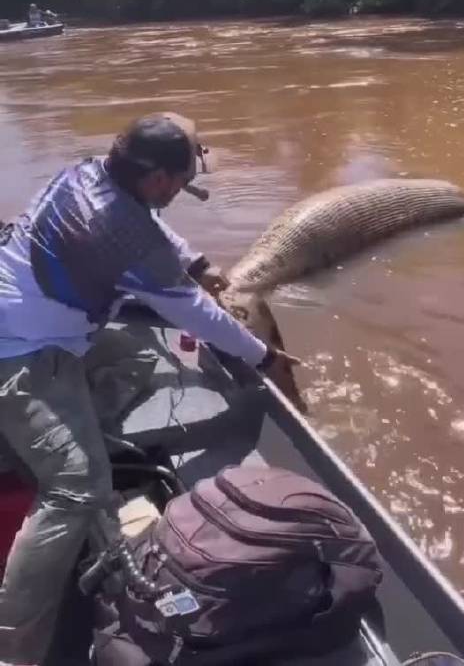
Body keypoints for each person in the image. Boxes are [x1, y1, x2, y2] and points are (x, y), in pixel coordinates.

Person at [0, 111, 297, 666]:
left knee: (135, 363)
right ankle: (16, 644)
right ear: (158, 179)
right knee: (77, 488)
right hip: (21, 354)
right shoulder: (126, 237)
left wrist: (198, 262)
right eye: (182, 181)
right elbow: (197, 317)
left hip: (26, 311)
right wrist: (263, 357)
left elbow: (146, 228)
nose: (182, 190)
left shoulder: (86, 172)